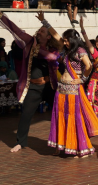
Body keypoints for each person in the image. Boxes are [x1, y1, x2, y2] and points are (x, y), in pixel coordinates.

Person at [35, 12, 98, 158]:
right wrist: (44, 21)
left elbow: (89, 65)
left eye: (66, 41)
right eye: (64, 41)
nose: (64, 42)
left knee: (74, 117)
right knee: (61, 116)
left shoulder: (80, 51)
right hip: (62, 88)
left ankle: (80, 147)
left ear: (72, 40)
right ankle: (64, 144)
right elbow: (56, 35)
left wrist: (82, 79)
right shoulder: (66, 50)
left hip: (73, 88)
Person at [0, 11, 59, 153]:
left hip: (49, 86)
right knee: (26, 115)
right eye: (38, 30)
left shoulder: (53, 49)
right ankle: (20, 142)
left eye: (42, 31)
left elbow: (53, 54)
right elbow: (15, 30)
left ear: (48, 36)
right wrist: (1, 16)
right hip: (32, 87)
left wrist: (45, 22)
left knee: (58, 114)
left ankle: (61, 141)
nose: (38, 32)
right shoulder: (30, 42)